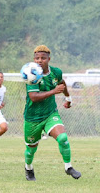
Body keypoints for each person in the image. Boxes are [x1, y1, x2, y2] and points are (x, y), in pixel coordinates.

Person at [23, 45, 81, 181]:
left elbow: (62, 84)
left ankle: (68, 167)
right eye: (37, 58)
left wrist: (68, 98)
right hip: (33, 118)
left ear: (49, 59)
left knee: (62, 138)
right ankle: (28, 168)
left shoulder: (56, 72)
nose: (39, 60)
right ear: (33, 59)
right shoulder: (31, 74)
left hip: (50, 114)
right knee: (31, 149)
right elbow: (33, 97)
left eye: (43, 58)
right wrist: (54, 91)